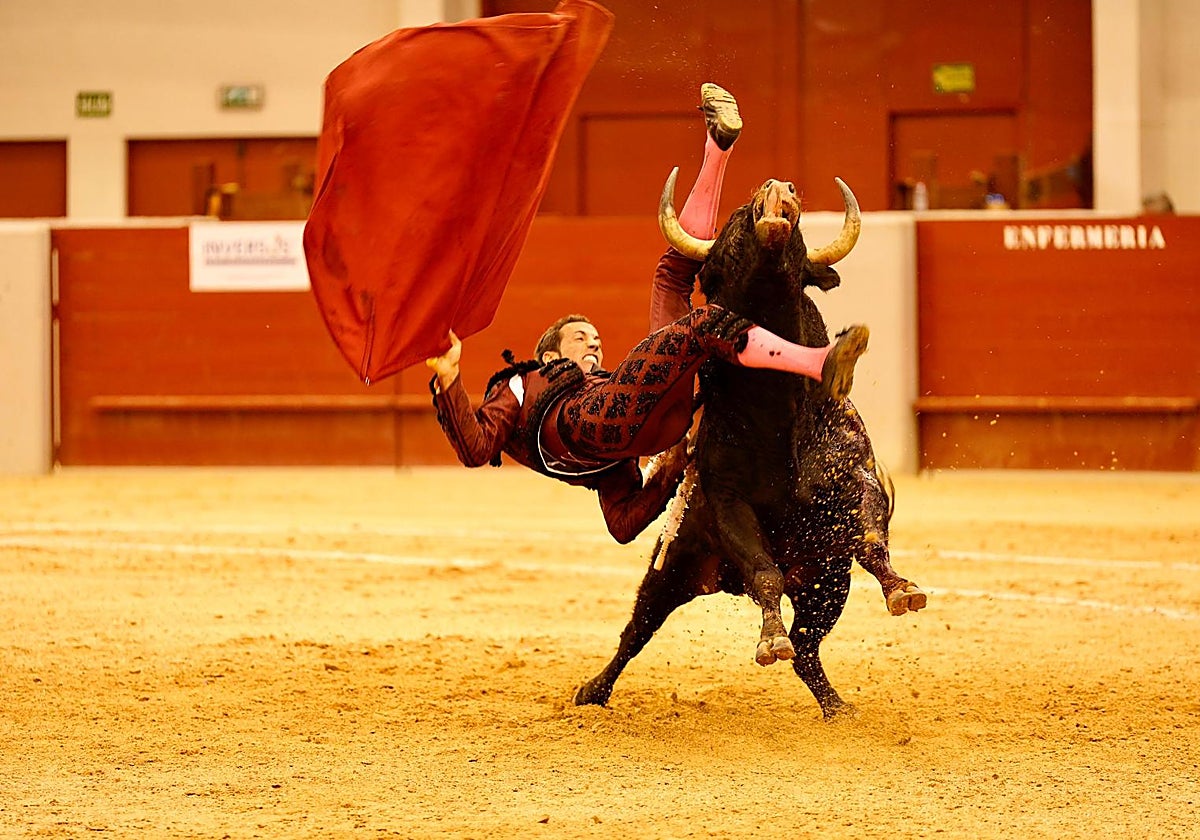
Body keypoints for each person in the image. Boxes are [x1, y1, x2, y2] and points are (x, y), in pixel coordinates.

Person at [426, 84, 869, 544]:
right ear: (547, 356)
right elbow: (479, 449)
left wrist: (672, 466)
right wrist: (449, 379)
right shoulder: (520, 387)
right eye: (579, 337)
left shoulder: (607, 426)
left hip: (653, 415)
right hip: (614, 420)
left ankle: (717, 145)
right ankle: (818, 362)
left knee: (673, 273)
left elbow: (621, 524)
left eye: (594, 336)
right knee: (702, 324)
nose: (594, 342)